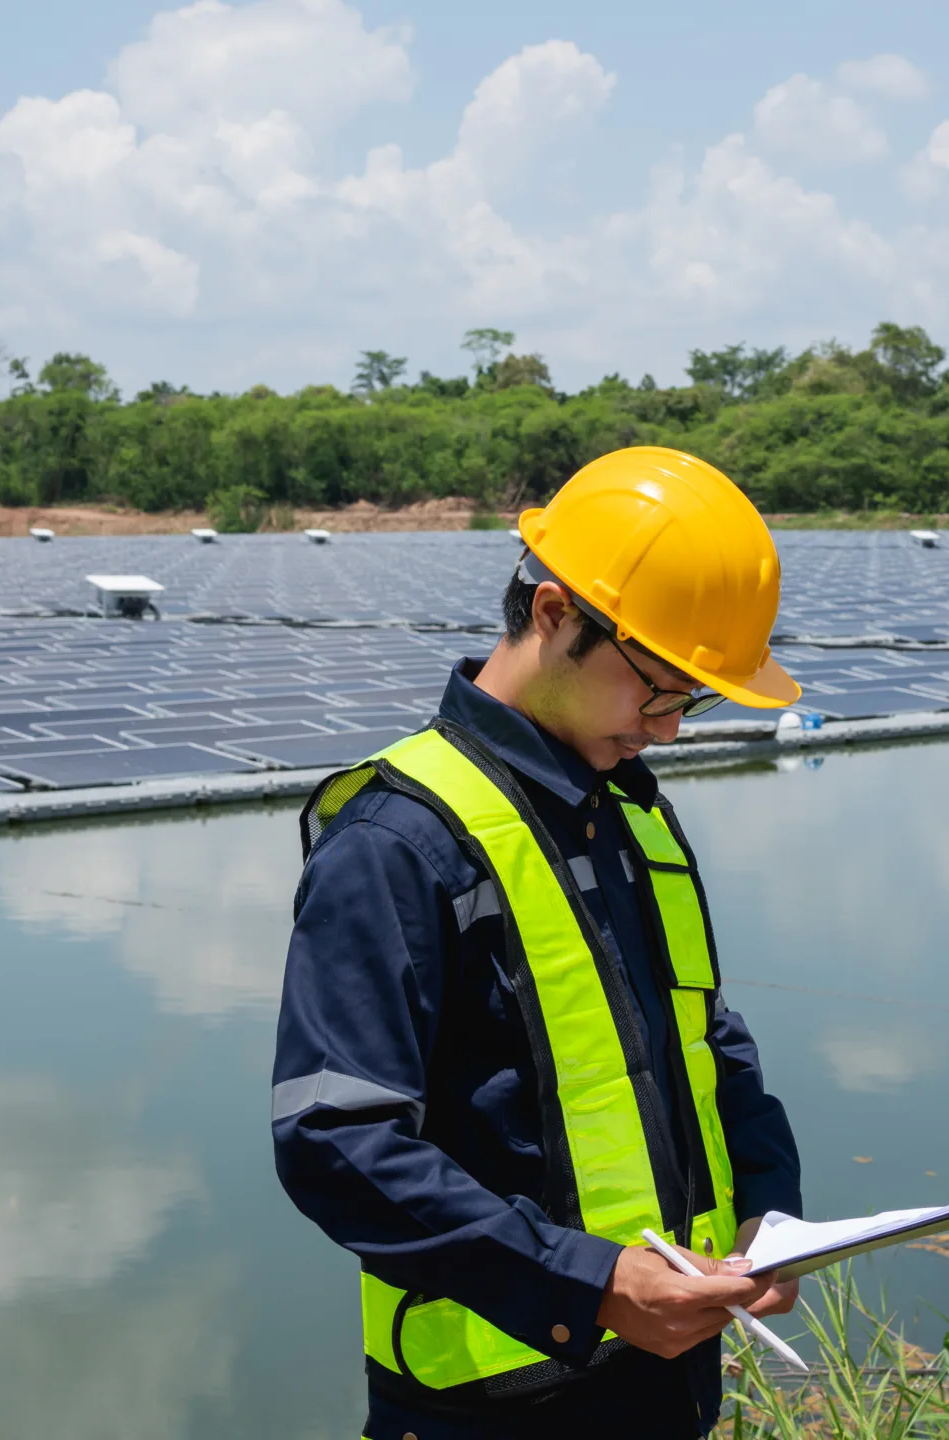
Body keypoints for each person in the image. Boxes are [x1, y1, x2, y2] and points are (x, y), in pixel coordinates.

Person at [272, 446, 808, 1439]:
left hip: (664, 1379)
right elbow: (334, 1145)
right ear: (555, 616)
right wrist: (594, 1286)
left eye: (692, 699)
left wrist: (767, 1208)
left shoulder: (628, 814)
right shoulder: (397, 844)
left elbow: (705, 1037)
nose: (672, 732)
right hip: (493, 1405)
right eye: (657, 690)